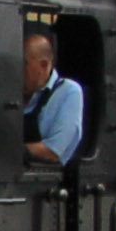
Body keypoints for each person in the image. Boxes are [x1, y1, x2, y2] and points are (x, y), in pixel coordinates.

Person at [21, 29, 84, 166]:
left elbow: (54, 151)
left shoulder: (69, 91)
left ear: (44, 65)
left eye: (23, 65)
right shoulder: (11, 91)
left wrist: (14, 150)